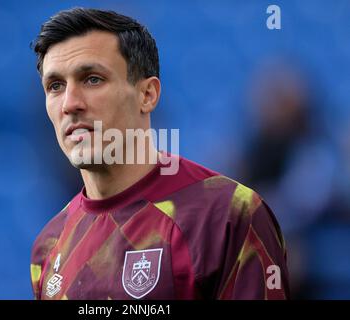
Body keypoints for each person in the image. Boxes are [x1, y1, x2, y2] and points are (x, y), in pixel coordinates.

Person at [30, 7, 289, 300]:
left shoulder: (227, 215)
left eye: (92, 79)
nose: (69, 103)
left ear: (147, 94)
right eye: (55, 86)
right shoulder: (49, 246)